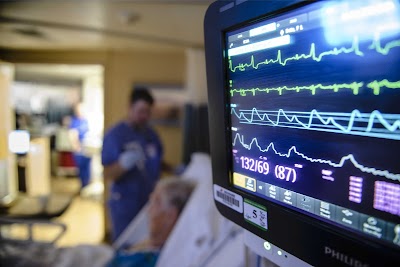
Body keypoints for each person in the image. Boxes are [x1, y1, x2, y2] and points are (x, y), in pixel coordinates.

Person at [102, 88, 164, 241]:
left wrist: (175, 169)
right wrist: (123, 164)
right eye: (141, 111)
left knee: (144, 243)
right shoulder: (115, 135)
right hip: (125, 203)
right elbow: (108, 174)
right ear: (130, 107)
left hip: (148, 201)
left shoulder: (150, 134)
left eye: (148, 112)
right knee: (125, 243)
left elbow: (157, 161)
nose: (145, 116)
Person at [107, 177, 195, 267]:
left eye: (156, 202)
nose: (149, 210)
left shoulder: (153, 260)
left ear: (170, 216)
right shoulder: (149, 245)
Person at [70, 103, 92, 189]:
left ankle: (87, 187)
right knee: (81, 170)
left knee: (88, 170)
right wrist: (76, 147)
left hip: (87, 149)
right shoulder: (75, 122)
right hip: (79, 149)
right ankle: (83, 187)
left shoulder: (85, 121)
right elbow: (72, 135)